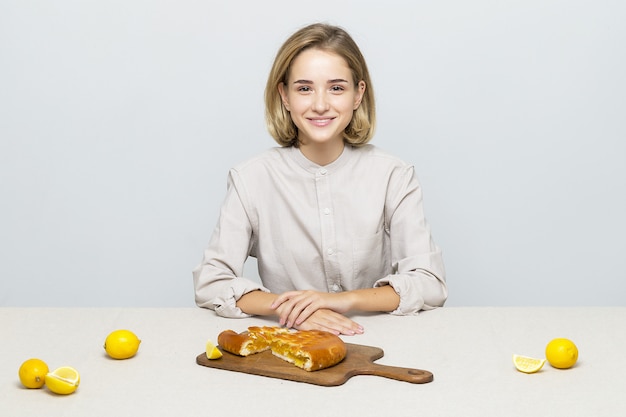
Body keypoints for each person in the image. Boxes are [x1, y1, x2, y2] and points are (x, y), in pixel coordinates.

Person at [193, 23, 447, 336]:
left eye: (337, 88)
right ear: (284, 95)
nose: (320, 104)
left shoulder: (393, 175)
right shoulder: (251, 178)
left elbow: (429, 282)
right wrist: (293, 310)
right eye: (304, 88)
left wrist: (338, 301)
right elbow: (211, 281)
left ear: (358, 94)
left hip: (377, 338)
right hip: (289, 341)